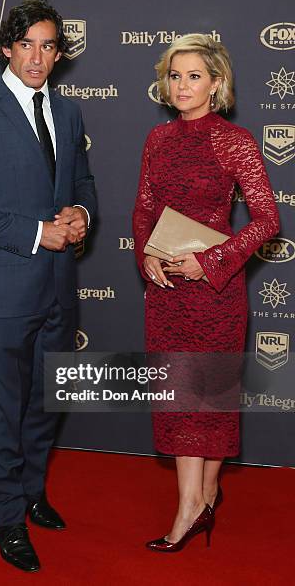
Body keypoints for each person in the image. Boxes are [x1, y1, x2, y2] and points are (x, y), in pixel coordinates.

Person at [0, 0, 96, 572]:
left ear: (59, 51)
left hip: (59, 285)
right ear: (7, 47)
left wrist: (81, 213)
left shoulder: (70, 111)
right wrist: (38, 233)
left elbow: (81, 178)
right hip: (6, 289)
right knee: (6, 407)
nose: (38, 57)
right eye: (27, 44)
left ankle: (32, 491)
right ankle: (6, 517)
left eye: (49, 45)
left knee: (45, 400)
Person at [132, 33, 279, 552]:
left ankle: (197, 500)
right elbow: (145, 209)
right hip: (169, 290)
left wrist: (209, 261)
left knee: (210, 399)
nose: (182, 85)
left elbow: (267, 220)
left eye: (194, 75)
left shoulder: (232, 140)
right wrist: (146, 256)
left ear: (216, 84)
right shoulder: (158, 140)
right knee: (177, 399)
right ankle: (196, 500)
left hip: (215, 294)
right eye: (175, 75)